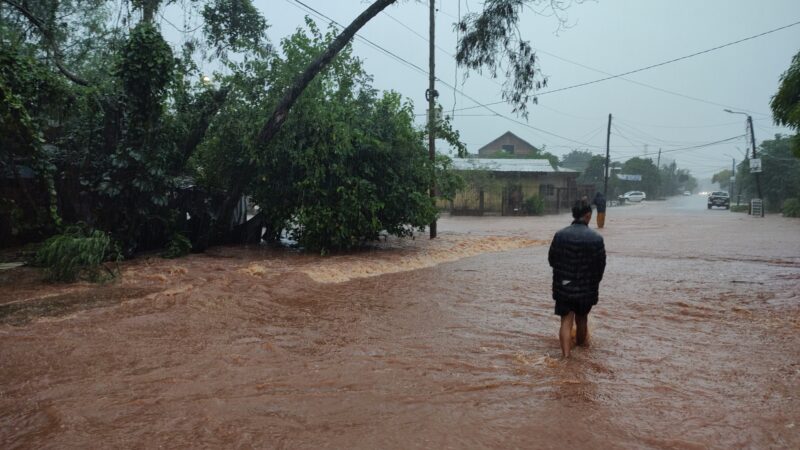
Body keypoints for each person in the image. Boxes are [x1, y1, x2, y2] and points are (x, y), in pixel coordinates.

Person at [548, 200, 606, 358]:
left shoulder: (560, 235)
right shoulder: (596, 238)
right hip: (586, 288)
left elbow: (551, 260)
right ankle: (581, 352)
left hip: (564, 286)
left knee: (565, 322)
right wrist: (592, 283)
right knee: (582, 320)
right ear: (588, 215)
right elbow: (600, 267)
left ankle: (566, 357)